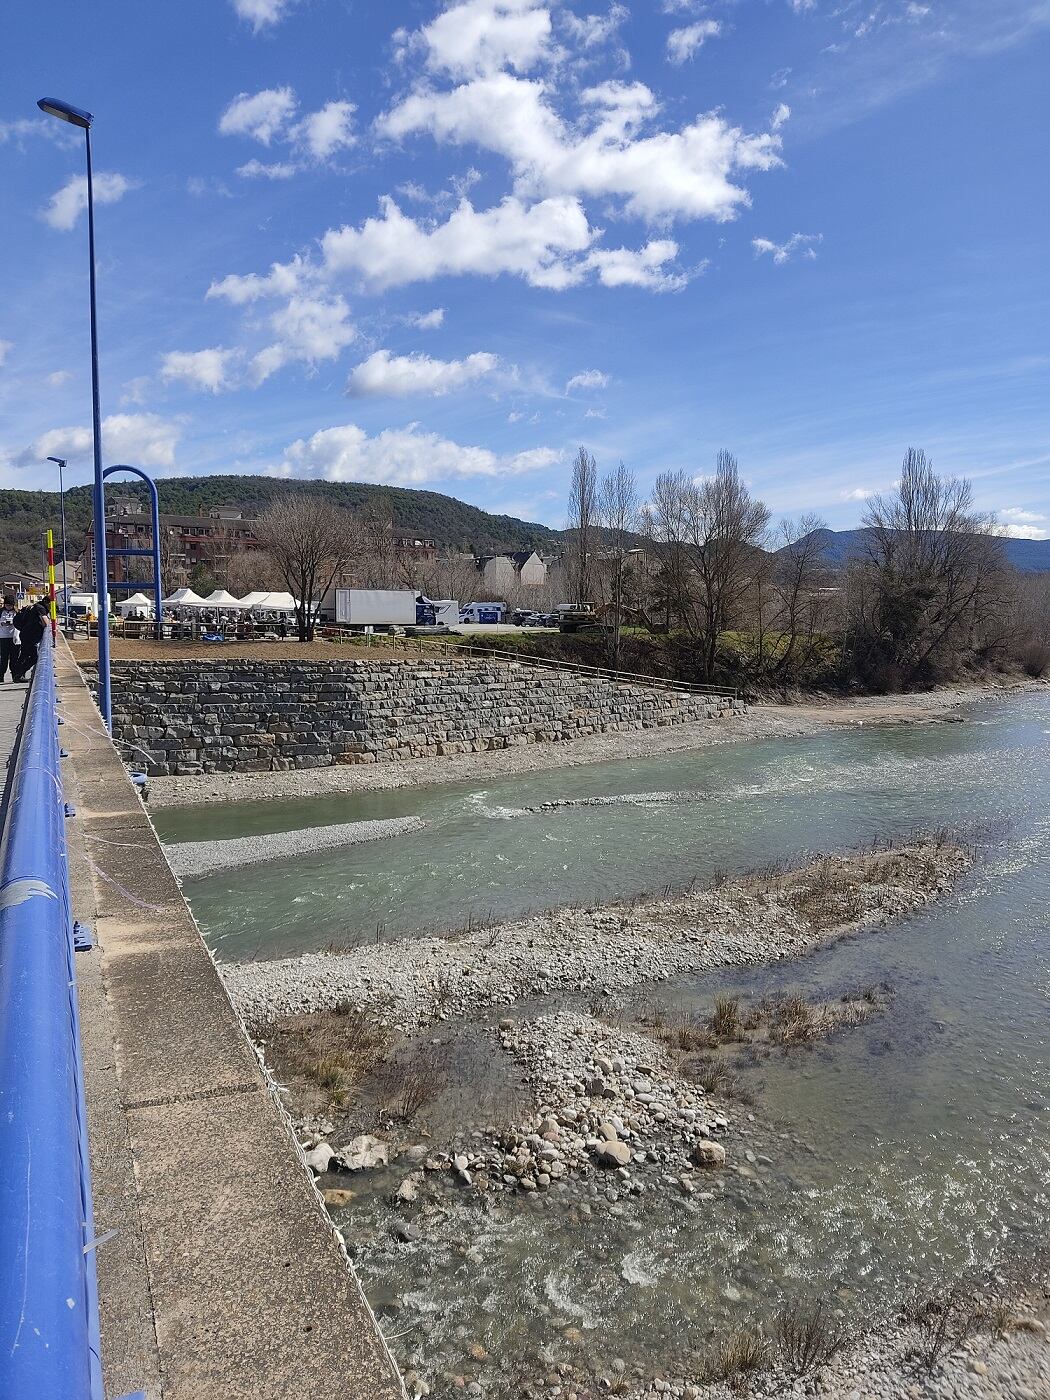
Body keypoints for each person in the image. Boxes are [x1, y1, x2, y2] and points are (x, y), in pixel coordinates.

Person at [11, 599, 49, 683]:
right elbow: (46, 623)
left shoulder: (34, 607)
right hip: (30, 636)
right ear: (48, 603)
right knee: (34, 657)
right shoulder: (41, 608)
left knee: (24, 655)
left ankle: (16, 674)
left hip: (25, 634)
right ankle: (19, 674)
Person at [0, 594, 18, 682]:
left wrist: (13, 623)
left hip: (14, 638)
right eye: (7, 605)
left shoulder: (16, 613)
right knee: (3, 658)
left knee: (14, 657)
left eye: (10, 605)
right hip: (3, 637)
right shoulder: (1, 612)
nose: (8, 607)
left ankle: (15, 675)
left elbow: (21, 623)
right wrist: (3, 623)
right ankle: (1, 675)